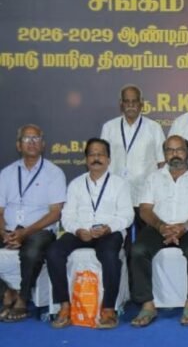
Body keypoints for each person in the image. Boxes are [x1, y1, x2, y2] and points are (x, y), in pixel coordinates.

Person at [46, 138, 134, 329]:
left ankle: (108, 309)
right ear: (86, 160)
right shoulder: (76, 184)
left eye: (100, 154)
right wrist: (78, 230)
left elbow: (127, 216)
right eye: (92, 154)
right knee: (53, 252)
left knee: (109, 254)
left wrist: (108, 228)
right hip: (81, 231)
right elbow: (67, 216)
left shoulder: (120, 184)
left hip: (109, 231)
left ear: (109, 159)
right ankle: (64, 306)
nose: (96, 158)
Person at [130, 135, 188, 327]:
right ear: (164, 154)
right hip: (159, 226)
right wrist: (161, 227)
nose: (175, 154)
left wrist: (185, 227)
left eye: (180, 149)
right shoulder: (153, 177)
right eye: (170, 150)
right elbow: (145, 209)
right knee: (138, 250)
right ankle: (148, 305)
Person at [0, 124, 66, 322]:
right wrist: (4, 233)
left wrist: (25, 233)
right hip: (8, 228)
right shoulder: (7, 173)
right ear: (18, 145)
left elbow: (55, 213)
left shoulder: (54, 173)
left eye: (36, 138)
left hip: (40, 230)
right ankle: (6, 292)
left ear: (43, 144)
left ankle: (22, 298)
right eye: (27, 139)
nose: (31, 142)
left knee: (31, 252)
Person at [100, 84, 165, 249]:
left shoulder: (154, 128)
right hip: (118, 193)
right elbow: (102, 159)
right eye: (126, 101)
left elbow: (162, 162)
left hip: (145, 194)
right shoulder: (109, 127)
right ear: (121, 104)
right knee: (119, 241)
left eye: (134, 101)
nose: (130, 105)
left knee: (144, 243)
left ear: (141, 103)